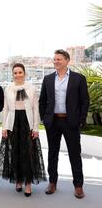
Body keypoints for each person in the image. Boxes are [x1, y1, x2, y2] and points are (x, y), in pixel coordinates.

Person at [39, 49, 89, 199]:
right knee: (52, 154)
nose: (56, 61)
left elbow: (84, 101)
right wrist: (44, 118)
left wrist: (80, 120)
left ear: (67, 60)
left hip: (70, 122)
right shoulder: (47, 79)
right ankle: (52, 183)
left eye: (59, 59)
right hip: (53, 122)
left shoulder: (79, 78)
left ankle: (78, 186)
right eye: (54, 59)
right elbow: (42, 100)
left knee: (75, 154)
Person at [0, 63, 46, 197]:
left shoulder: (31, 88)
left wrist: (36, 127)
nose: (18, 75)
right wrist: (4, 128)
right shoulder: (8, 88)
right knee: (15, 152)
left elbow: (35, 109)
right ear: (12, 74)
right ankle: (18, 179)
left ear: (25, 73)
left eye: (20, 72)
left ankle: (28, 183)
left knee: (28, 153)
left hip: (27, 122)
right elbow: (6, 109)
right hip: (13, 122)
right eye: (15, 73)